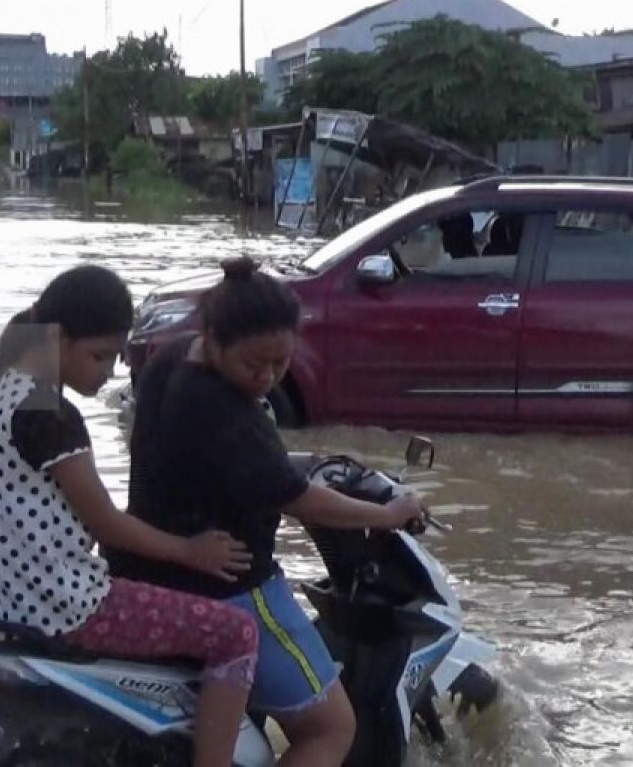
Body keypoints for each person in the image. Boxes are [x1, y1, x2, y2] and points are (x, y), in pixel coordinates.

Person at [111, 257, 426, 766]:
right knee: (331, 726)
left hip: (151, 572)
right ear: (213, 340)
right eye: (253, 364)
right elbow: (299, 499)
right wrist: (388, 515)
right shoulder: (223, 407)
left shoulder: (170, 361)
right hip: (231, 586)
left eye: (280, 364)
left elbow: (230, 465)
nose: (266, 378)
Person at [0, 265, 259, 767]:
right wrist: (191, 551)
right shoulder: (49, 413)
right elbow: (106, 524)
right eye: (99, 355)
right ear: (56, 337)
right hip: (61, 605)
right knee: (236, 635)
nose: (109, 372)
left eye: (118, 357)